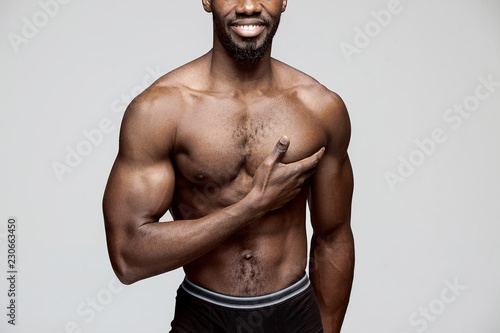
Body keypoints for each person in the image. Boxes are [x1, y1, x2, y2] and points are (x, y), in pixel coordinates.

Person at [102, 0, 354, 332]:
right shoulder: (161, 110)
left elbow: (333, 235)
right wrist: (252, 207)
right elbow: (127, 258)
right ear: (207, 1)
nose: (249, 6)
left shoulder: (319, 108)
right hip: (205, 317)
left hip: (295, 317)